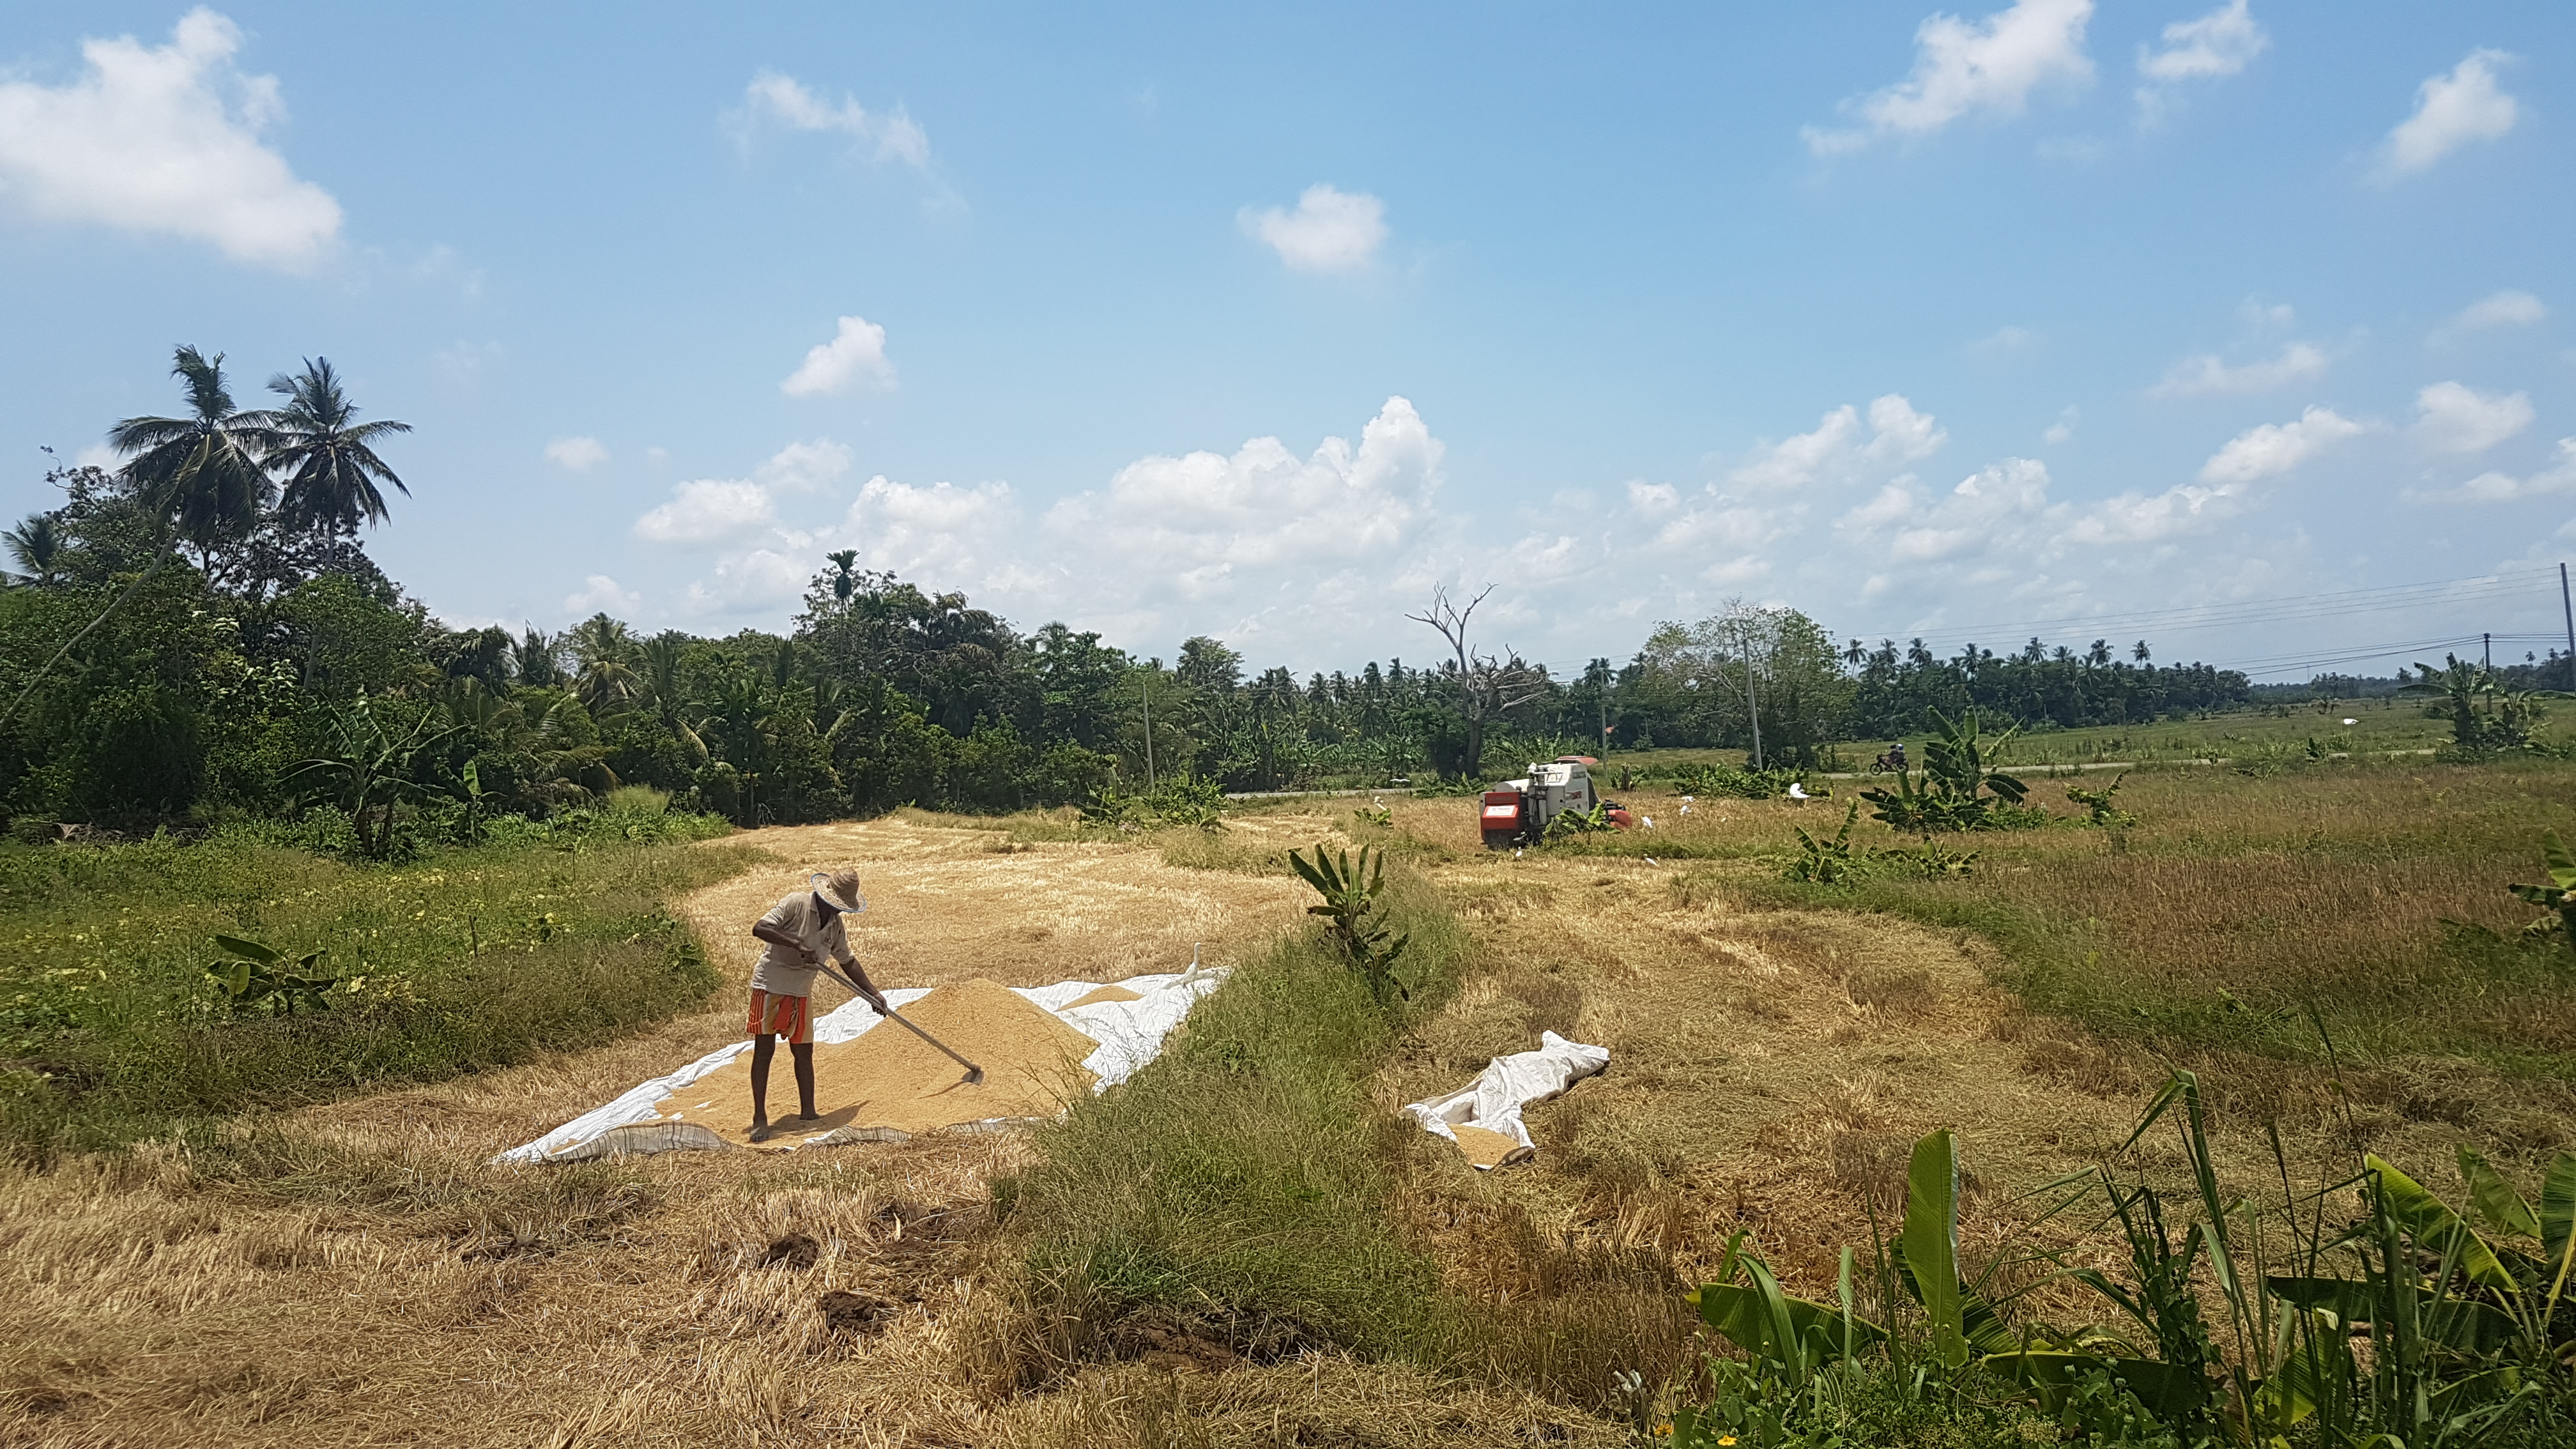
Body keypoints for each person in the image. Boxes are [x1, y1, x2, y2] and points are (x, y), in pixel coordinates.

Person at [744, 869, 887, 1142]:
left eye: (843, 908)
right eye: (837, 906)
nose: (839, 912)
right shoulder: (795, 904)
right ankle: (760, 1118)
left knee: (803, 1052)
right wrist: (796, 943)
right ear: (826, 897)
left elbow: (848, 961)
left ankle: (808, 1111)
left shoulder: (834, 926)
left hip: (801, 991)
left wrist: (872, 994)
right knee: (765, 1051)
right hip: (770, 985)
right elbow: (760, 928)